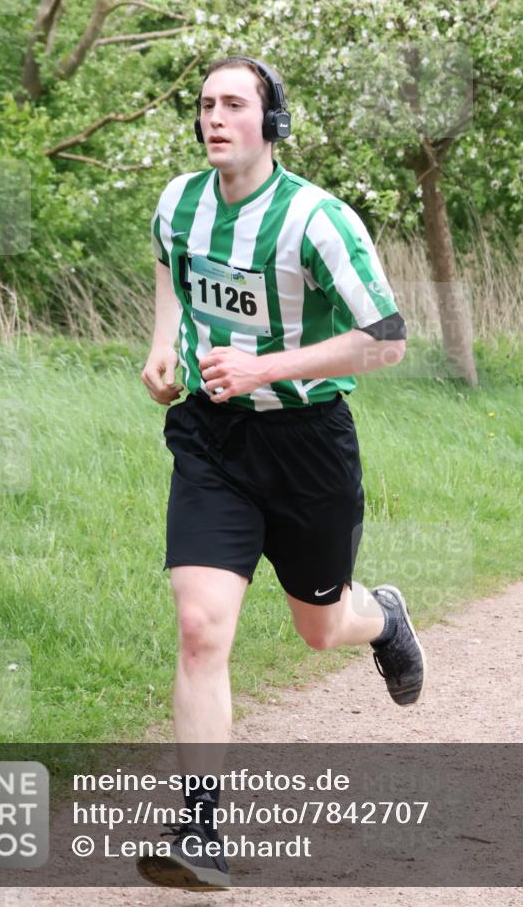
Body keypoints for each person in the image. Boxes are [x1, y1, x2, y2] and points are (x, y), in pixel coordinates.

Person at [137, 56, 426, 890]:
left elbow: (388, 337)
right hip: (211, 439)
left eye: (235, 104)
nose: (215, 118)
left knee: (319, 626)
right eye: (205, 105)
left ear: (273, 123)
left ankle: (383, 619)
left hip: (306, 444)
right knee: (200, 625)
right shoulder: (177, 203)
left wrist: (270, 367)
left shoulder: (316, 220)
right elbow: (170, 272)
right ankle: (199, 828)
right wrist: (162, 347)